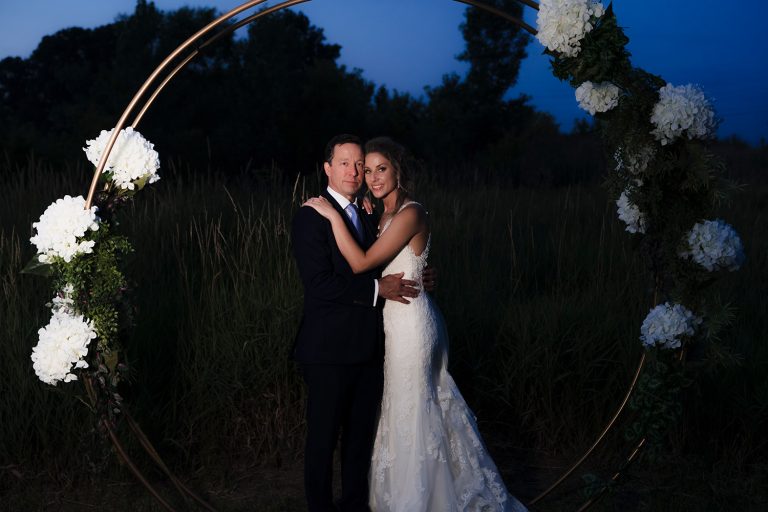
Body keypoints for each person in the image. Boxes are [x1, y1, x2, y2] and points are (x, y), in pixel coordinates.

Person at [303, 137, 527, 512]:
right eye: (365, 168)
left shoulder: (409, 212)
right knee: (398, 407)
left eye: (379, 168)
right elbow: (385, 265)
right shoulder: (373, 212)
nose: (369, 176)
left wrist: (330, 216)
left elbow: (362, 265)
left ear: (398, 169)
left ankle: (421, 496)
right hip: (383, 326)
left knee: (414, 406)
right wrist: (419, 270)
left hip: (410, 323)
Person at [291, 134, 426, 512]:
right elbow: (319, 284)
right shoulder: (311, 215)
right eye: (345, 163)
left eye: (359, 165)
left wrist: (421, 272)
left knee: (360, 437)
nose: (353, 171)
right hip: (327, 350)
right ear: (328, 169)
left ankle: (353, 504)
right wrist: (375, 290)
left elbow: (393, 257)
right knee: (322, 439)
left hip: (370, 346)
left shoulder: (369, 212)